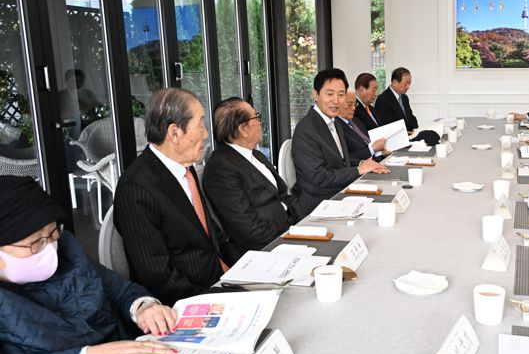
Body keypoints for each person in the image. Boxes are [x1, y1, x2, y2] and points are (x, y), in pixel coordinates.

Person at [0, 176, 177, 354]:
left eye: (53, 232)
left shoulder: (68, 253)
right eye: (35, 243)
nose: (49, 249)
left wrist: (143, 306)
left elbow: (119, 290)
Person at [114, 88, 241, 306]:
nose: (206, 133)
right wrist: (217, 300)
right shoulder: (136, 189)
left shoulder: (184, 167)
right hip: (190, 300)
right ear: (175, 133)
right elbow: (158, 277)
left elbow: (211, 234)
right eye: (200, 124)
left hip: (222, 280)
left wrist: (247, 268)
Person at [202, 97, 303, 254]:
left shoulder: (257, 154)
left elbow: (285, 195)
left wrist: (306, 225)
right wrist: (289, 237)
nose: (260, 123)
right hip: (264, 249)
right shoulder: (220, 168)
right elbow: (246, 226)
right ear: (243, 128)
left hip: (291, 233)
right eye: (256, 117)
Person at [292, 68, 389, 214]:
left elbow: (341, 160)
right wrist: (358, 170)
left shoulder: (335, 121)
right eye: (330, 94)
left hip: (341, 190)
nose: (336, 101)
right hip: (320, 202)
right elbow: (319, 178)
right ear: (316, 94)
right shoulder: (305, 130)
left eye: (341, 94)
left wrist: (363, 163)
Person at [338, 91, 388, 162]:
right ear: (338, 104)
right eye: (349, 104)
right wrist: (372, 149)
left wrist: (381, 153)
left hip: (377, 162)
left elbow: (368, 142)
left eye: (355, 104)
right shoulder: (337, 126)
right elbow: (345, 159)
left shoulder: (356, 121)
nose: (353, 108)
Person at [375, 66, 418, 134]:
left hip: (410, 135)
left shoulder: (404, 97)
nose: (408, 87)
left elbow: (411, 117)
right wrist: (406, 133)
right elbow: (388, 126)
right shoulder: (383, 99)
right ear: (394, 82)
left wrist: (415, 130)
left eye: (409, 83)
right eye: (405, 83)